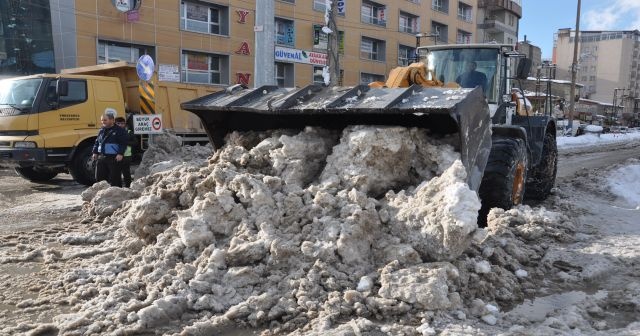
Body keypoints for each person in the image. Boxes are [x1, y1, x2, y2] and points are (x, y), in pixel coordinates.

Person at [92, 113, 128, 187]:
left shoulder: (119, 130)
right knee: (99, 178)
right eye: (102, 120)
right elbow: (97, 142)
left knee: (115, 178)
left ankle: (116, 194)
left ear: (112, 120)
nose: (103, 122)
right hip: (102, 157)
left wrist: (120, 153)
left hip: (114, 157)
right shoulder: (102, 130)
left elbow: (123, 143)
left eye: (105, 120)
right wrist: (95, 152)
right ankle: (102, 194)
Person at [115, 116, 136, 188]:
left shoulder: (129, 132)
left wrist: (125, 142)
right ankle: (118, 188)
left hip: (127, 156)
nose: (120, 125)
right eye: (118, 123)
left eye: (122, 123)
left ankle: (128, 187)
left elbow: (135, 142)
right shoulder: (113, 132)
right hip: (115, 155)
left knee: (126, 173)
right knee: (116, 173)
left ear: (125, 124)